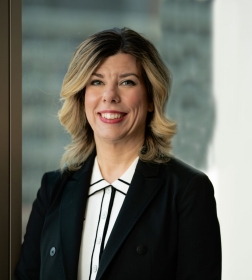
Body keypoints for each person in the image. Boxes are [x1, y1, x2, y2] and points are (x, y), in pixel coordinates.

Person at [15, 27, 221, 280]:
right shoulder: (53, 189)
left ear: (150, 99)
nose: (109, 96)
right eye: (97, 82)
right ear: (81, 96)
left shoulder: (187, 191)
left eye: (127, 82)